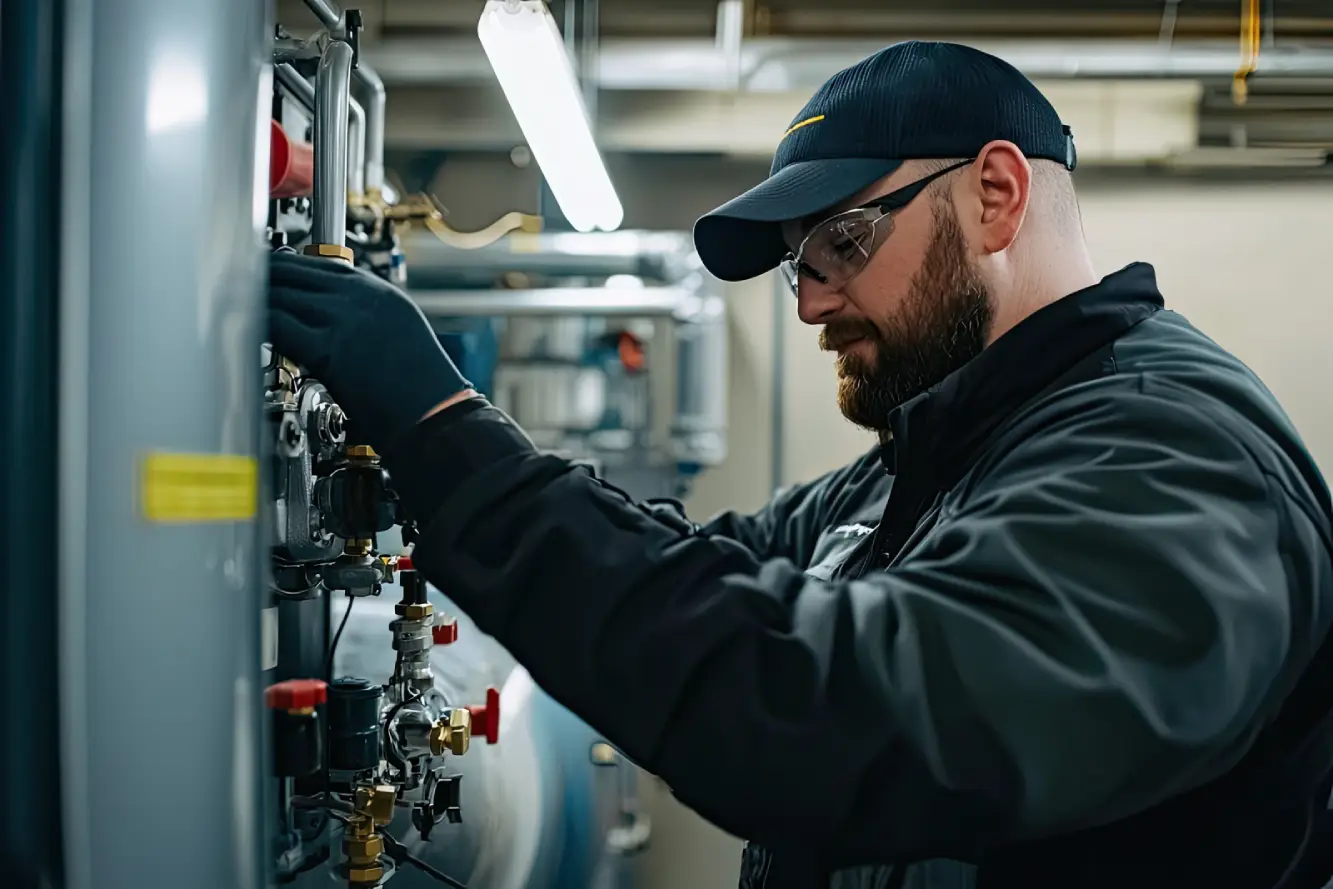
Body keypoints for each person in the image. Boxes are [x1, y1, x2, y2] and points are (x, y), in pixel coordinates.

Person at [268, 40, 1333, 889]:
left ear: (996, 194)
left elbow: (853, 712)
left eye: (844, 242)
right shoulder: (919, 465)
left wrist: (450, 433)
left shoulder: (1172, 457)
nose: (815, 301)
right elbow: (695, 573)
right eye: (798, 270)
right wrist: (451, 448)